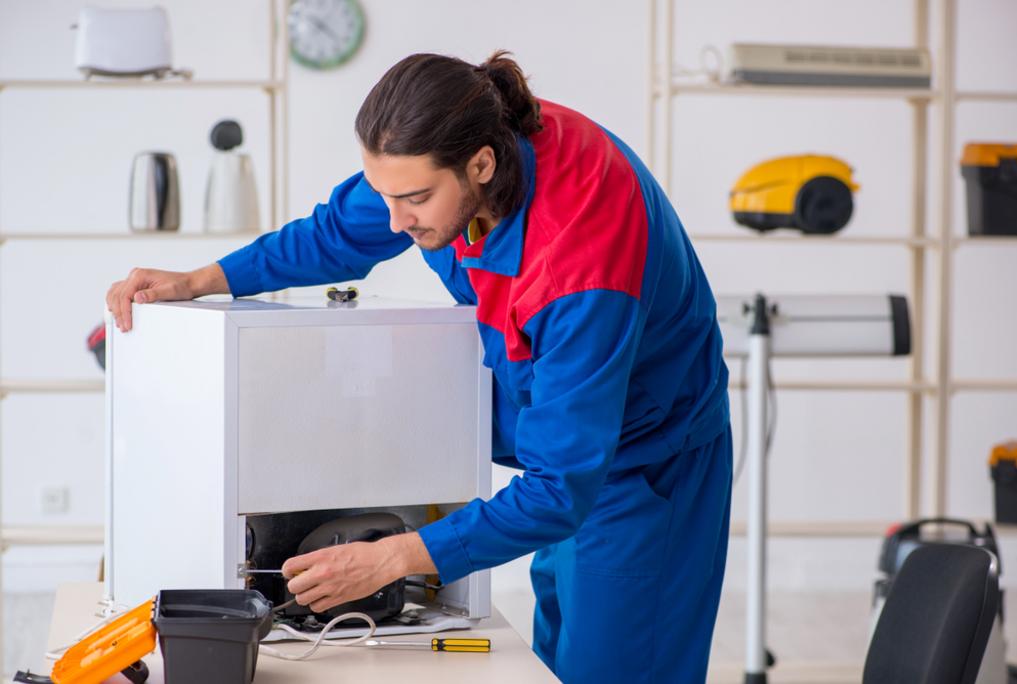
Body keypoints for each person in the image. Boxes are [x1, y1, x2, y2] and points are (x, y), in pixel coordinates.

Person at [106, 51, 731, 683]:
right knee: (559, 662)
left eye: (414, 200)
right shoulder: (448, 156)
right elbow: (336, 234)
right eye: (384, 195)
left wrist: (392, 559)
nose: (396, 223)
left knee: (615, 670)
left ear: (482, 164)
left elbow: (560, 489)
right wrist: (203, 279)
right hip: (567, 453)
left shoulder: (579, 267)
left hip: (648, 466)